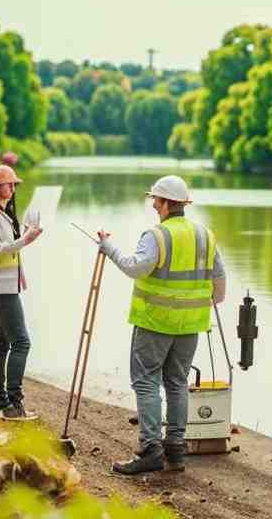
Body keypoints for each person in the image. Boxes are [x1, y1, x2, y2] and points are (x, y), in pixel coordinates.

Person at [97, 175, 227, 475]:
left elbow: (134, 267)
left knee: (146, 383)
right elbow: (219, 286)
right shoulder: (205, 235)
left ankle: (150, 450)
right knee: (177, 382)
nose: (154, 205)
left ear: (167, 202)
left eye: (156, 200)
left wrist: (108, 247)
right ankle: (175, 450)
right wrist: (197, 305)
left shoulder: (156, 236)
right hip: (190, 325)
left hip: (155, 322)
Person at [0, 164, 44, 421]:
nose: (13, 188)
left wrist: (24, 234)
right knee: (21, 342)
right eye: (9, 184)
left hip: (2, 286)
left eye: (14, 184)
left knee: (1, 343)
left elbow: (8, 246)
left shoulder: (1, 212)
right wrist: (26, 239)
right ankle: (13, 405)